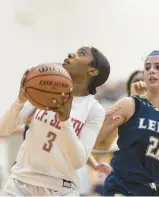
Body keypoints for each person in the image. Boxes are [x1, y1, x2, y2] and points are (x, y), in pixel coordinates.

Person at [0, 46, 110, 196]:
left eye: (81, 54)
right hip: (21, 183)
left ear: (92, 71)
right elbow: (3, 130)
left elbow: (78, 160)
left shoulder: (94, 110)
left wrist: (65, 121)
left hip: (61, 189)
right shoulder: (44, 90)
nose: (71, 54)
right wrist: (20, 100)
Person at [97, 50, 159, 196]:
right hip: (123, 186)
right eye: (147, 67)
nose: (151, 71)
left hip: (156, 189)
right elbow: (94, 142)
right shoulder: (129, 104)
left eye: (158, 67)